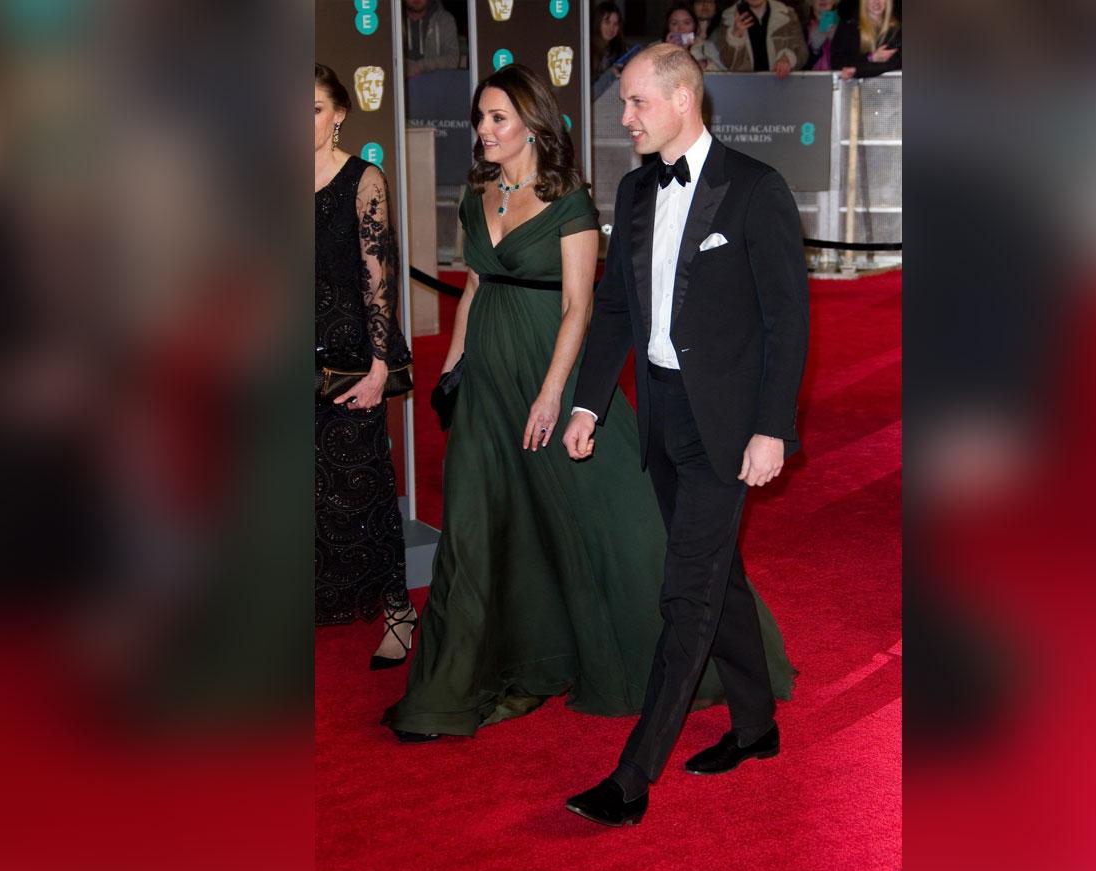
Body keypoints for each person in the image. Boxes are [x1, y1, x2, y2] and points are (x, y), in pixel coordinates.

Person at [383, 63, 795, 742]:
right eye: (479, 118)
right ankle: (458, 679)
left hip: (607, 383)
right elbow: (504, 291)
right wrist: (459, 367)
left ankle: (668, 721)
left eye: (497, 118)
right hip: (501, 375)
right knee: (475, 523)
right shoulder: (512, 193)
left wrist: (561, 396)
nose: (482, 131)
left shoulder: (593, 199)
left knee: (625, 534)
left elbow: (589, 308)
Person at [563, 43, 808, 827]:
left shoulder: (754, 189)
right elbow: (613, 313)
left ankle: (632, 778)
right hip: (663, 416)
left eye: (635, 102)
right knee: (717, 577)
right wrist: (588, 405)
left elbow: (787, 322)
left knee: (688, 592)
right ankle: (756, 725)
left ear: (680, 100)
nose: (624, 117)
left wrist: (772, 428)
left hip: (730, 430)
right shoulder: (636, 190)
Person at [313, 64, 416, 668]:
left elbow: (381, 281)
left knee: (366, 488)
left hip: (349, 359)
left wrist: (380, 368)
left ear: (340, 113)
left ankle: (399, 608)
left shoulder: (363, 179)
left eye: (315, 109)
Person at [714, 0, 808, 76]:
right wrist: (736, 35)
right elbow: (727, 63)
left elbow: (802, 52)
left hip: (780, 88)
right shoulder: (727, 18)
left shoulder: (788, 15)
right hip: (743, 90)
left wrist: (787, 58)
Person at [834, 0, 901, 79]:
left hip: (891, 86)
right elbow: (838, 62)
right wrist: (872, 57)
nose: (877, 2)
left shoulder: (896, 29)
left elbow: (894, 63)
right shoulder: (848, 26)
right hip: (855, 87)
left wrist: (856, 70)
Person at [589, 1, 635, 101]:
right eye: (607, 22)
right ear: (597, 23)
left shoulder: (621, 49)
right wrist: (611, 74)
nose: (611, 28)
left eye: (615, 24)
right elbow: (589, 94)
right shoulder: (587, 52)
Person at [402, 0, 460, 77]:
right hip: (402, 86)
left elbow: (453, 59)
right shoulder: (394, 22)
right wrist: (405, 66)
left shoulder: (445, 20)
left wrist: (420, 66)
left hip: (437, 84)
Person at [664, 2, 725, 72]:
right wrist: (670, 52)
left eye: (687, 23)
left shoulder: (707, 46)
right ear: (668, 27)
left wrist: (704, 62)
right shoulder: (657, 48)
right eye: (674, 23)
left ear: (695, 26)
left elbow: (725, 76)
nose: (681, 28)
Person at [801, 0, 841, 71]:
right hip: (809, 80)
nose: (823, 0)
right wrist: (814, 50)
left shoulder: (845, 27)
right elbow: (800, 66)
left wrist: (835, 41)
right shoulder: (801, 28)